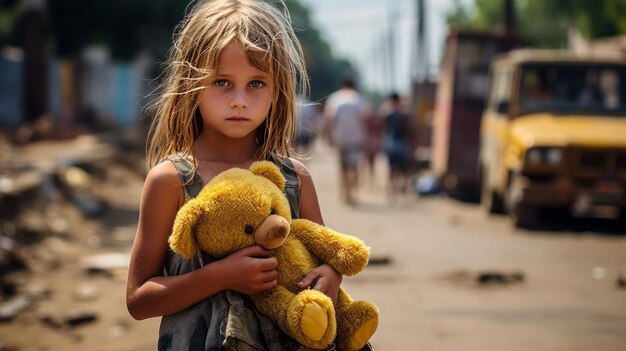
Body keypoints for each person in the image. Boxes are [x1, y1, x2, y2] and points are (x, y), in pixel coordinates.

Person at [125, 1, 371, 350]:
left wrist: (332, 275)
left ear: (277, 90)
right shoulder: (172, 181)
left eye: (256, 83)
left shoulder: (293, 179)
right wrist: (220, 276)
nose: (239, 100)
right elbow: (138, 299)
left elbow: (325, 257)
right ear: (192, 84)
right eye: (222, 81)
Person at [323, 76, 369, 205]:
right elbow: (365, 117)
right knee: (353, 166)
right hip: (356, 138)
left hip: (340, 137)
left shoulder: (335, 98)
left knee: (342, 166)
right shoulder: (359, 99)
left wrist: (327, 135)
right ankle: (351, 192)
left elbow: (329, 118)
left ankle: (343, 192)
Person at [381, 92, 414, 197]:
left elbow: (383, 128)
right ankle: (401, 186)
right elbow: (408, 129)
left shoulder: (386, 112)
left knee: (391, 167)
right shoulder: (403, 113)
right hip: (400, 142)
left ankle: (391, 188)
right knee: (403, 166)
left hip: (390, 142)